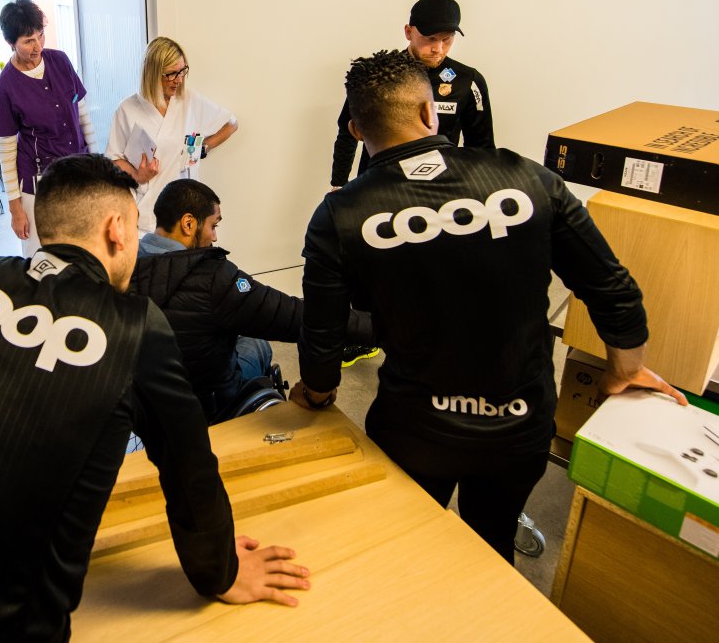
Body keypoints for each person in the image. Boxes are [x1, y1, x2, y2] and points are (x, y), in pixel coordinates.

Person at [0, 155, 309, 642]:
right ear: (116, 230)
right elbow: (189, 468)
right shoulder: (133, 326)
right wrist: (222, 572)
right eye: (135, 226)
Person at [293, 49, 686, 563]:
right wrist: (625, 368)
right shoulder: (529, 180)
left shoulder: (340, 215)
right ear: (429, 112)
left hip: (415, 430)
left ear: (356, 129)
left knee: (405, 550)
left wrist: (317, 392)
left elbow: (322, 332)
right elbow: (612, 287)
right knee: (492, 550)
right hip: (520, 428)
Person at [131, 178, 372, 423]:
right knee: (258, 343)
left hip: (146, 406)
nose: (214, 237)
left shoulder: (124, 264)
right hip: (207, 404)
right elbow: (294, 316)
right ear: (188, 223)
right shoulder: (213, 278)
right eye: (213, 225)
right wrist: (375, 327)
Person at [329, 0, 494, 189]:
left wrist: (477, 192)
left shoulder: (467, 81)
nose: (438, 49)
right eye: (430, 38)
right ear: (408, 32)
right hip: (378, 186)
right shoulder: (378, 73)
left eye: (447, 39)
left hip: (437, 190)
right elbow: (347, 132)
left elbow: (481, 149)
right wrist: (338, 185)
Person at [0, 0, 97, 256]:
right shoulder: (4, 87)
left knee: (82, 249)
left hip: (78, 173)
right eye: (28, 41)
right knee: (42, 255)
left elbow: (82, 115)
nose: (38, 46)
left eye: (40, 35)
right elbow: (7, 152)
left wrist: (97, 164)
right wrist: (15, 209)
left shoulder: (60, 61)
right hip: (38, 183)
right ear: (10, 43)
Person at [106, 36, 238, 234]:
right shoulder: (128, 109)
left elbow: (231, 124)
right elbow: (114, 159)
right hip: (146, 211)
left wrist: (203, 148)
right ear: (152, 73)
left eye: (182, 71)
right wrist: (137, 175)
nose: (179, 79)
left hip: (187, 206)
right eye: (171, 74)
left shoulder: (189, 101)